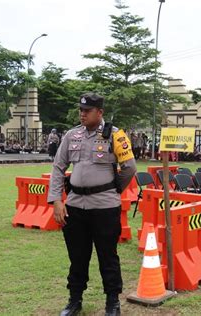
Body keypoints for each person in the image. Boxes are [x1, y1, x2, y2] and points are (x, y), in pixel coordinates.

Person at [47, 93, 137, 316]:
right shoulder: (72, 135)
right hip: (75, 206)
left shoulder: (115, 135)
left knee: (108, 255)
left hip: (105, 207)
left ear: (100, 112)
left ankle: (112, 302)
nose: (82, 114)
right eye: (81, 110)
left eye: (87, 111)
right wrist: (57, 200)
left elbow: (130, 168)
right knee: (77, 256)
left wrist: (113, 188)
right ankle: (74, 300)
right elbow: (58, 168)